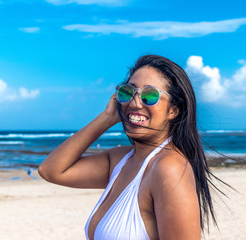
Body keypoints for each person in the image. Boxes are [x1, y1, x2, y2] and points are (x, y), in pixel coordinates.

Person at [38, 55, 223, 239]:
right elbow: (51, 171)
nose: (134, 103)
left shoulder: (170, 169)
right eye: (128, 93)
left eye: (149, 96)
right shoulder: (120, 160)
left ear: (173, 110)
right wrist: (107, 117)